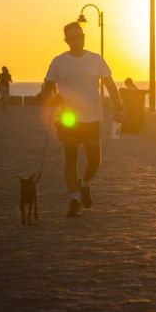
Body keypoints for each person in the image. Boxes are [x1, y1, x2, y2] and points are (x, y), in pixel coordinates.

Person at [43, 22, 124, 217]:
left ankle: (84, 183)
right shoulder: (58, 61)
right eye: (72, 38)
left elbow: (111, 86)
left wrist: (118, 108)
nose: (76, 41)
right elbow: (47, 86)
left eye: (79, 36)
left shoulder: (95, 60)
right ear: (66, 41)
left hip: (92, 117)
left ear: (84, 37)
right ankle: (74, 198)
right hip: (69, 118)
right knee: (70, 160)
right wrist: (52, 96)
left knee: (94, 160)